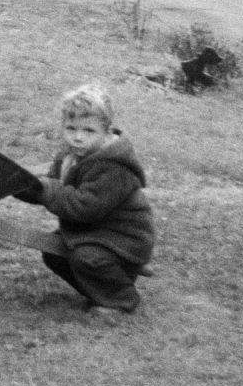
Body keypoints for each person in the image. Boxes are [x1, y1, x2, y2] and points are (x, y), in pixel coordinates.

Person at [18, 84, 154, 313]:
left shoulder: (113, 167)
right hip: (90, 232)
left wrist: (46, 190)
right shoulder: (69, 156)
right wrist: (22, 185)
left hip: (122, 238)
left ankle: (121, 299)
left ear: (106, 133)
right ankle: (103, 288)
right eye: (71, 129)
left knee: (88, 258)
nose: (78, 138)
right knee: (53, 250)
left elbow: (84, 206)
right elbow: (52, 187)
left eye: (89, 131)